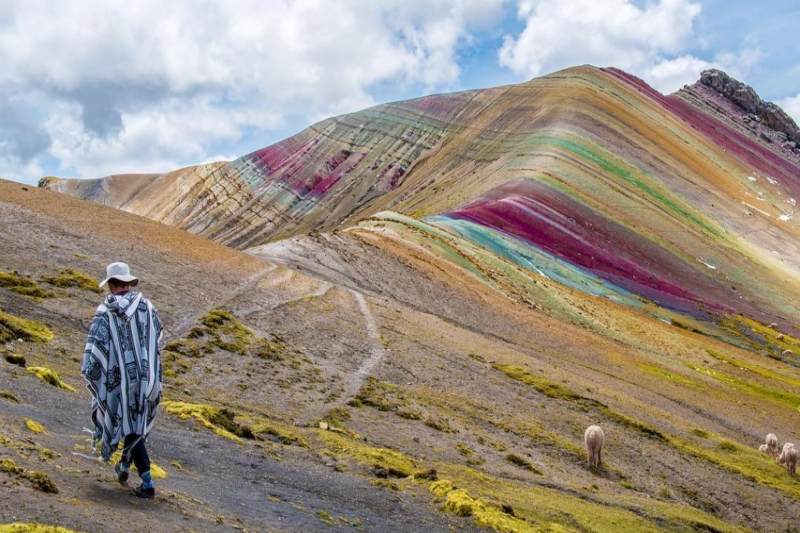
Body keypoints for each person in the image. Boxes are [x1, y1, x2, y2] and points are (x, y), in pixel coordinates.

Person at [81, 262, 163, 498]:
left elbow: (96, 344)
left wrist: (95, 369)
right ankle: (124, 468)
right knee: (134, 420)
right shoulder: (147, 306)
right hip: (146, 377)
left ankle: (147, 482)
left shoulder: (106, 310)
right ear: (127, 282)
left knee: (130, 422)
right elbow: (157, 333)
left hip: (118, 378)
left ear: (111, 285)